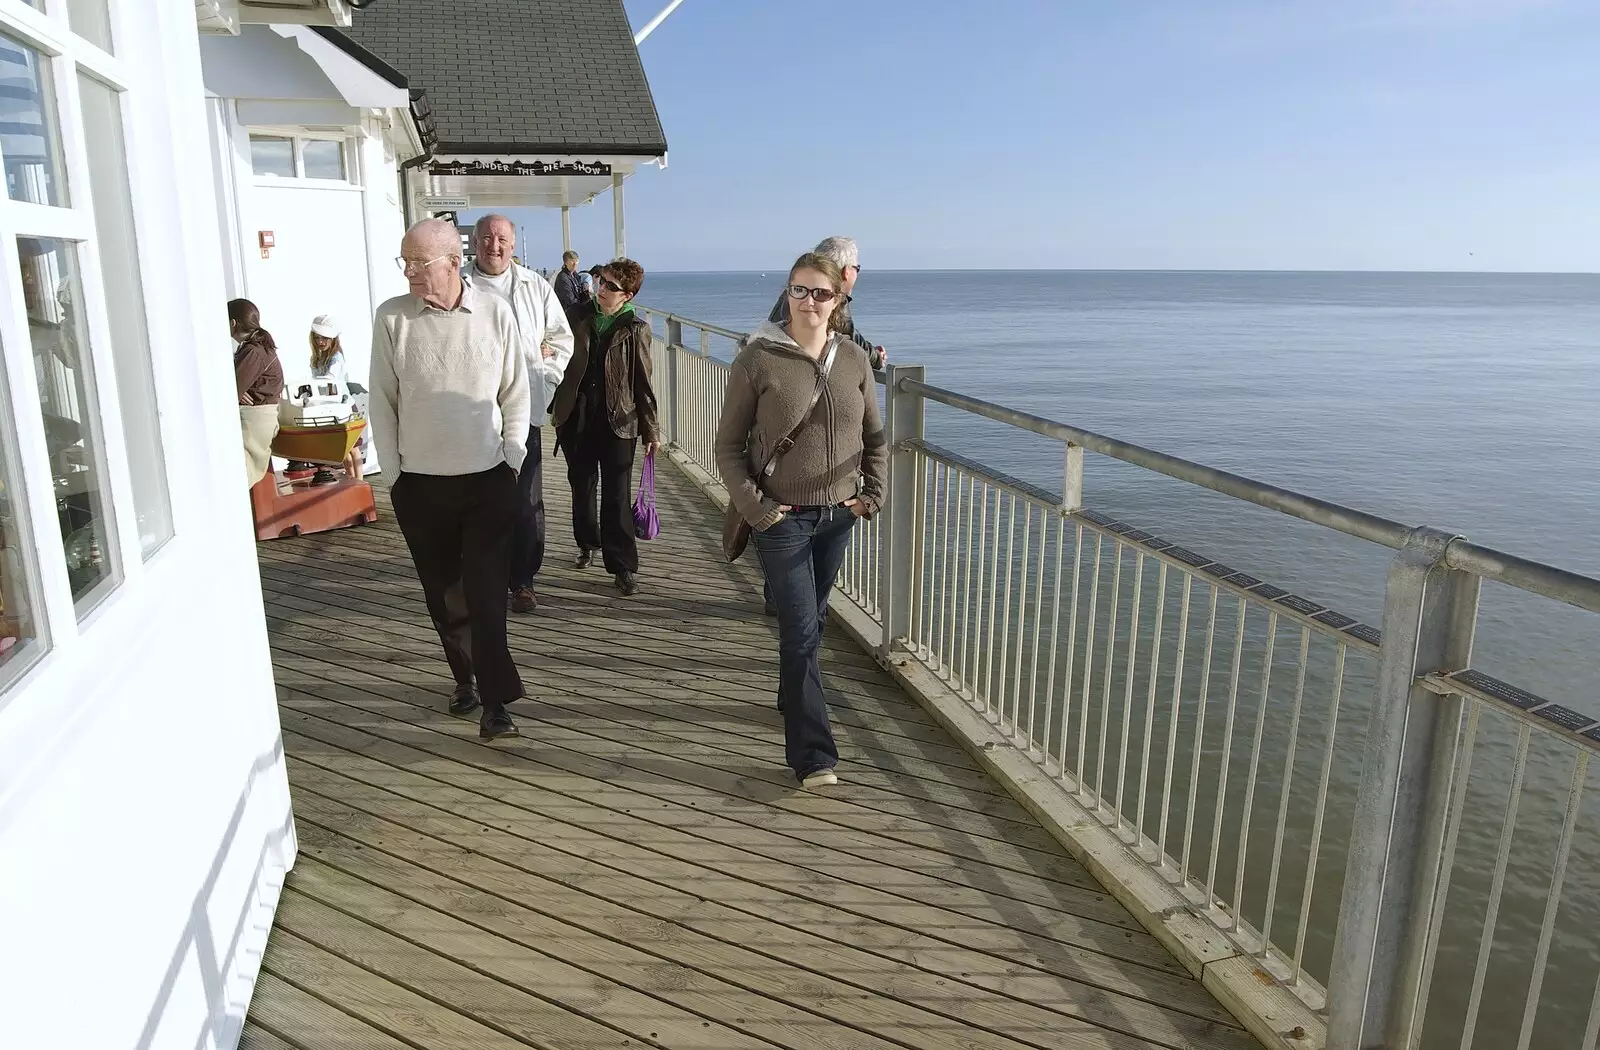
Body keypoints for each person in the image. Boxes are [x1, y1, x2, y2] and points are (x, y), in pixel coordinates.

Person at [714, 252, 888, 789]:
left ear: (840, 301)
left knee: (812, 618)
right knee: (800, 627)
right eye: (799, 290)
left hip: (838, 515)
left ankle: (793, 694)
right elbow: (727, 447)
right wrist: (758, 509)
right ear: (786, 294)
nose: (808, 302)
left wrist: (872, 496)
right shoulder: (758, 358)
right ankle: (814, 755)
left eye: (821, 293)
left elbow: (876, 438)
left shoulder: (856, 360)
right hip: (780, 518)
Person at [369, 218, 530, 740]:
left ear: (452, 262)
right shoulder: (393, 318)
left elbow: (515, 391)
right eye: (405, 261)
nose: (410, 272)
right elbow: (382, 399)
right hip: (420, 484)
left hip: (487, 478)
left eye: (420, 262)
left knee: (486, 596)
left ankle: (496, 706)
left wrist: (512, 455)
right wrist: (393, 474)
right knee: (444, 596)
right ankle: (466, 679)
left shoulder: (494, 312)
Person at [463, 214, 575, 614]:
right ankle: (486, 575)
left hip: (523, 410)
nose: (495, 245)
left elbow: (561, 339)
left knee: (526, 501)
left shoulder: (535, 286)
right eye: (487, 238)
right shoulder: (457, 285)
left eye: (503, 239)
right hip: (472, 413)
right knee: (479, 501)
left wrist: (545, 378)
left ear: (512, 245)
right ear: (474, 243)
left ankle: (523, 581)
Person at [548, 258, 660, 597]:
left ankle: (623, 565)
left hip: (619, 421)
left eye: (610, 286)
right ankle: (587, 543)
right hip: (577, 416)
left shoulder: (635, 328)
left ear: (627, 295)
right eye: (601, 281)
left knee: (616, 494)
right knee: (581, 486)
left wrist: (651, 430)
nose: (601, 288)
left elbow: (643, 382)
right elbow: (556, 351)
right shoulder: (578, 315)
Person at [766, 236, 886, 371]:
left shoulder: (795, 293)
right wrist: (877, 358)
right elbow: (850, 342)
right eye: (856, 268)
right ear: (846, 272)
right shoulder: (829, 298)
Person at [230, 298, 283, 488]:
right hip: (262, 418)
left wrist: (236, 389)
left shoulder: (253, 351)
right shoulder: (259, 347)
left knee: (240, 474)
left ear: (233, 323)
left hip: (255, 420)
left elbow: (231, 391)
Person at [305, 314, 364, 478]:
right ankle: (351, 477)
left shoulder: (336, 357)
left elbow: (330, 377)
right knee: (341, 447)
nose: (320, 342)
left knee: (353, 446)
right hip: (329, 407)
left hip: (344, 405)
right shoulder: (316, 359)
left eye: (324, 338)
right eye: (317, 338)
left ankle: (360, 479)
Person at [552, 250, 591, 319]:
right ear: (565, 262)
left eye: (576, 261)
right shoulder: (563, 278)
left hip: (575, 312)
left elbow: (579, 292)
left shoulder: (574, 275)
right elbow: (570, 301)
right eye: (572, 261)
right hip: (567, 316)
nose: (575, 263)